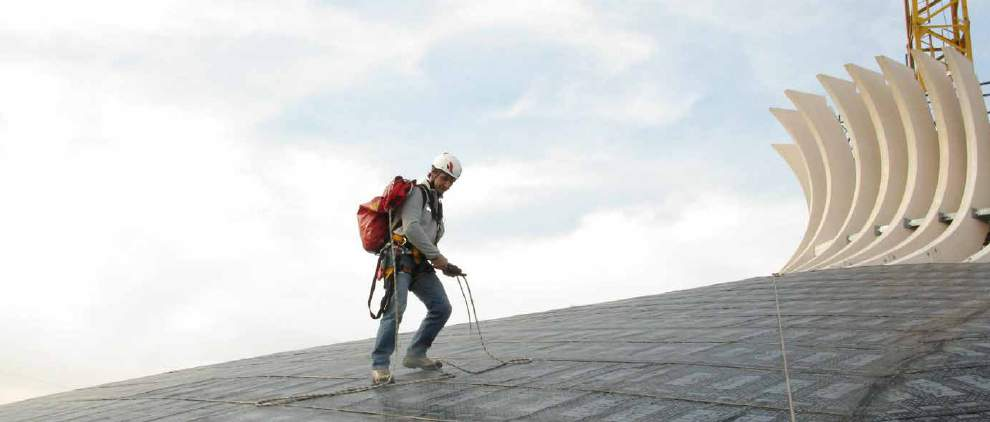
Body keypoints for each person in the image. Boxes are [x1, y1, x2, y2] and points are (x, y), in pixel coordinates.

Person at [370, 152, 464, 385]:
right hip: (400, 258)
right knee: (396, 308)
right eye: (444, 178)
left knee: (441, 307)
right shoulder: (417, 193)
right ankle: (380, 365)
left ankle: (415, 354)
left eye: (451, 181)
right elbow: (411, 228)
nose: (447, 184)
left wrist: (442, 264)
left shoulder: (435, 203)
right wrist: (438, 258)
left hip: (420, 263)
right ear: (432, 173)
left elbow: (428, 238)